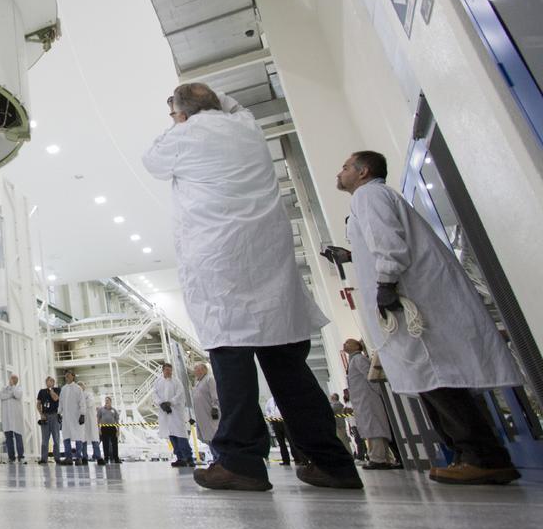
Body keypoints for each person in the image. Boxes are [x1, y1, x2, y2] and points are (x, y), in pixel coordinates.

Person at [143, 83, 360, 491]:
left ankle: (241, 461)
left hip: (223, 267)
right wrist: (198, 105)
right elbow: (231, 104)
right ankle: (333, 463)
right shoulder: (246, 125)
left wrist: (179, 117)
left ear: (181, 113)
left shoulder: (184, 135)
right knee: (291, 373)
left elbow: (151, 159)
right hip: (269, 267)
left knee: (233, 366)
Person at [335, 150, 523, 485]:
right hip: (413, 307)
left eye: (346, 167)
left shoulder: (369, 195)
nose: (341, 171)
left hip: (413, 308)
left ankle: (483, 457)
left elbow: (389, 244)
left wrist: (386, 283)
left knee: (439, 381)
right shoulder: (375, 197)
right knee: (435, 383)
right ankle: (470, 455)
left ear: (363, 173)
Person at [342, 339, 398, 469]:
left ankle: (378, 459)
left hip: (368, 398)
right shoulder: (353, 361)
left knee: (374, 427)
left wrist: (378, 394)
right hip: (363, 399)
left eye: (348, 342)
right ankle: (382, 457)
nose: (345, 344)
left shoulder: (359, 359)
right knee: (371, 427)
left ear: (358, 346)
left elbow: (370, 376)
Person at [153, 364, 194, 467]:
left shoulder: (176, 382)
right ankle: (180, 458)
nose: (169, 372)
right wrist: (161, 403)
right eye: (167, 370)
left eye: (170, 370)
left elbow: (180, 394)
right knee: (171, 435)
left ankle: (188, 458)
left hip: (176, 413)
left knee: (181, 435)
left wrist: (170, 402)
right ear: (163, 371)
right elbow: (155, 394)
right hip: (165, 414)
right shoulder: (158, 382)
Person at [264, 396, 307, 466]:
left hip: (284, 421)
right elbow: (267, 410)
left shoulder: (283, 398)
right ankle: (285, 460)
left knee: (291, 440)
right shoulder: (270, 400)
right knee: (281, 442)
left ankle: (297, 458)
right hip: (275, 421)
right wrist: (270, 418)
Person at [191, 362, 220, 460]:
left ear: (204, 370)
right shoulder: (198, 382)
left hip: (210, 414)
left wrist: (215, 407)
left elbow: (214, 394)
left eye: (198, 370)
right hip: (202, 416)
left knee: (214, 436)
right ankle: (215, 458)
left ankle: (220, 459)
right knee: (208, 438)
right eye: (195, 370)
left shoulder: (209, 379)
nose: (196, 372)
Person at [58, 370, 86, 464]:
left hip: (76, 416)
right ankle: (68, 458)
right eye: (66, 376)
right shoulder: (63, 389)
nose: (67, 378)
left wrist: (82, 414)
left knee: (78, 436)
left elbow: (82, 402)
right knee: (66, 436)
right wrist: (59, 413)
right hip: (66, 417)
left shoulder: (78, 388)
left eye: (69, 376)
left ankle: (78, 458)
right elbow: (61, 402)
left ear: (73, 376)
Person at [0, 373, 26, 463]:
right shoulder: (4, 388)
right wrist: (10, 395)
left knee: (18, 436)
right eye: (12, 378)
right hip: (6, 417)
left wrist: (13, 387)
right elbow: (0, 396)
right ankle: (11, 457)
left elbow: (17, 395)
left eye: (15, 379)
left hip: (16, 417)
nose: (13, 380)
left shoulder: (19, 388)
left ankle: (21, 456)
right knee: (8, 438)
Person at [36, 376, 61, 464]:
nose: (50, 382)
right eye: (48, 381)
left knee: (56, 438)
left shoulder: (57, 390)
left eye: (51, 381)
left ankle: (57, 458)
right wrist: (41, 414)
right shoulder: (41, 392)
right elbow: (38, 404)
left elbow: (55, 398)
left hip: (54, 415)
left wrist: (51, 390)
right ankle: (44, 458)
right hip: (45, 415)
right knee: (45, 439)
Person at [79, 381, 102, 463]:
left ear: (84, 387)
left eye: (81, 385)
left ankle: (97, 456)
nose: (80, 387)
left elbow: (89, 403)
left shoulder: (89, 394)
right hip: (82, 421)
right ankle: (84, 457)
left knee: (94, 439)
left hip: (91, 420)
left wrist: (81, 404)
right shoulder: (76, 397)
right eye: (79, 386)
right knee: (83, 439)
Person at [97, 396, 122, 464]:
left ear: (110, 401)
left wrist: (118, 430)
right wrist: (99, 429)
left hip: (112, 428)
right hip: (104, 428)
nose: (106, 401)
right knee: (105, 444)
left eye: (108, 400)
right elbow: (98, 419)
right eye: (106, 400)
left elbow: (117, 420)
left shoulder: (114, 410)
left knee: (114, 444)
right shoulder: (101, 409)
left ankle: (116, 458)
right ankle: (106, 458)